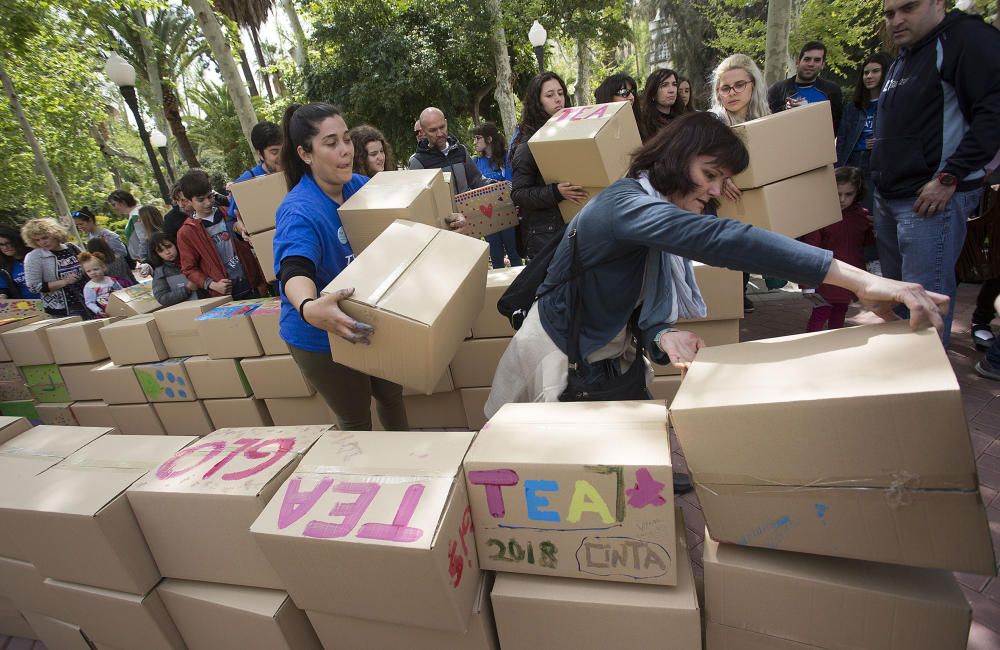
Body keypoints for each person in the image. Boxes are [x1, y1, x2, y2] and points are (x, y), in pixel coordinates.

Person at [486, 111, 946, 418]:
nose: (713, 192)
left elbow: (630, 294)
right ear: (671, 160)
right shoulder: (624, 206)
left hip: (607, 353)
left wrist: (661, 334)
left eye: (723, 180)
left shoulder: (651, 212)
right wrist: (862, 281)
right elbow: (724, 238)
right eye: (710, 175)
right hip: (556, 355)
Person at [272, 103, 468, 431]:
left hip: (368, 315)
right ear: (306, 154)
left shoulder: (361, 186)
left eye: (346, 140)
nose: (345, 150)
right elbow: (294, 269)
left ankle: (402, 466)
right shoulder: (299, 211)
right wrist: (308, 307)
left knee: (391, 395)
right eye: (331, 143)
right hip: (321, 334)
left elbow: (406, 231)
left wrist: (445, 225)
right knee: (356, 419)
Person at [872, 0, 1000, 346]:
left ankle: (925, 393)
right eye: (889, 13)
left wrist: (949, 177)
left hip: (930, 201)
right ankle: (903, 381)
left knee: (926, 306)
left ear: (938, 3)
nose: (896, 20)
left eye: (907, 9)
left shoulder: (966, 38)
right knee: (901, 301)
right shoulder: (907, 52)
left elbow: (993, 114)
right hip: (889, 196)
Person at [710, 53, 771, 312]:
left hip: (754, 208)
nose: (732, 93)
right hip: (718, 208)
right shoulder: (712, 122)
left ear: (753, 85)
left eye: (739, 85)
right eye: (725, 88)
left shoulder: (767, 120)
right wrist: (721, 177)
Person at [510, 72, 588, 259]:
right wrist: (555, 192)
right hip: (544, 237)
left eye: (560, 93)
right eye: (550, 95)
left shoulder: (576, 132)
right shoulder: (527, 144)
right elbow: (518, 194)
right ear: (538, 102)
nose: (558, 100)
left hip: (577, 228)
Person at [800, 167, 875, 331]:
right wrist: (808, 284)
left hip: (848, 275)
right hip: (824, 276)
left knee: (840, 312)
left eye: (849, 194)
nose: (842, 199)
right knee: (821, 313)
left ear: (857, 193)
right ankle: (809, 347)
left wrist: (875, 227)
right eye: (838, 193)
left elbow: (866, 244)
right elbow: (810, 250)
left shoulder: (861, 216)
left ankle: (835, 346)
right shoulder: (820, 215)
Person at [176, 168, 267, 300]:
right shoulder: (187, 232)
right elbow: (189, 269)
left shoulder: (228, 213)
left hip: (253, 285)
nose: (208, 202)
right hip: (224, 294)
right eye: (201, 200)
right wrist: (211, 284)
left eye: (210, 196)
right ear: (188, 201)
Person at [836, 53, 893, 213]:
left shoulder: (891, 105)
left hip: (876, 163)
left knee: (870, 211)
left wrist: (881, 142)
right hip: (852, 160)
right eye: (866, 72)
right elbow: (842, 139)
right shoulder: (853, 107)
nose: (869, 76)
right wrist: (838, 168)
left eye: (875, 71)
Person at [473, 121, 522, 269]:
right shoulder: (475, 162)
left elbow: (510, 184)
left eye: (477, 138)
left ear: (489, 139)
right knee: (495, 257)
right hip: (487, 215)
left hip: (507, 211)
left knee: (514, 254)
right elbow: (474, 188)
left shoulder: (507, 158)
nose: (474, 142)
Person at [408, 107, 490, 194]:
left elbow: (476, 180)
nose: (439, 134)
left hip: (468, 206)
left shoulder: (460, 150)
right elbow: (418, 199)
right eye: (433, 130)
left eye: (442, 127)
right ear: (423, 131)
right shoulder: (417, 162)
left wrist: (496, 185)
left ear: (446, 123)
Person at [766, 40, 843, 133]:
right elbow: (767, 122)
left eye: (817, 60)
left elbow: (836, 126)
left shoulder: (832, 90)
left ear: (823, 65)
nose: (811, 64)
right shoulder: (777, 89)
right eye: (807, 59)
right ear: (798, 62)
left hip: (819, 145)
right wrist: (785, 109)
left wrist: (808, 112)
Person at [21, 218, 90, 318]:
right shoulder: (34, 257)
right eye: (37, 240)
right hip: (63, 309)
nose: (42, 242)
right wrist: (64, 282)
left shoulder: (71, 247)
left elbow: (90, 264)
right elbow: (33, 286)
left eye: (45, 237)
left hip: (88, 298)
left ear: (55, 234)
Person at [229, 121, 284, 225]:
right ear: (260, 154)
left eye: (284, 150)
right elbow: (232, 221)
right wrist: (239, 228)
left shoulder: (297, 172)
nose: (282, 157)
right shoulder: (245, 182)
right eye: (274, 152)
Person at [148, 232, 198, 306]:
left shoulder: (191, 258)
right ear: (156, 254)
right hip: (187, 308)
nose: (167, 252)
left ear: (175, 244)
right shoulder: (161, 271)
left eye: (169, 246)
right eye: (161, 251)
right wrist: (187, 289)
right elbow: (162, 298)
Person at [108, 190, 149, 265]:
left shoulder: (136, 216)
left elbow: (144, 239)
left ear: (123, 202)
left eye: (114, 204)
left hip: (148, 258)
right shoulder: (135, 214)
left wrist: (142, 256)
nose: (114, 208)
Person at [640, 68, 683, 140]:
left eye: (674, 84)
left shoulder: (683, 117)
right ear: (653, 93)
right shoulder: (644, 124)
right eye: (664, 85)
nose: (671, 90)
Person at [0, 225, 41, 299]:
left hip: (53, 302)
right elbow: (3, 290)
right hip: (27, 307)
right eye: (1, 245)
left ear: (16, 241)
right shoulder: (3, 267)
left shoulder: (37, 255)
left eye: (8, 243)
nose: (5, 247)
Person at [78, 252, 122, 318]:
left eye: (95, 269)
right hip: (106, 312)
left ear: (103, 268)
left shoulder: (111, 280)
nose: (92, 273)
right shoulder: (90, 287)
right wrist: (98, 310)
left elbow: (121, 291)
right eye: (88, 271)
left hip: (120, 307)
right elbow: (89, 302)